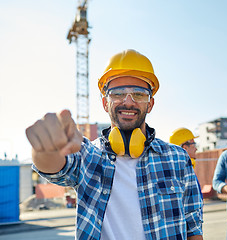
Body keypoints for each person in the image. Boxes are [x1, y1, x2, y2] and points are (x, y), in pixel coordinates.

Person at [26, 49, 203, 240]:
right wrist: (45, 149)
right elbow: (53, 167)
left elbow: (192, 225)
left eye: (139, 94)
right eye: (117, 93)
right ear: (104, 103)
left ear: (150, 104)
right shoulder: (88, 155)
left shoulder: (177, 158)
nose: (128, 102)